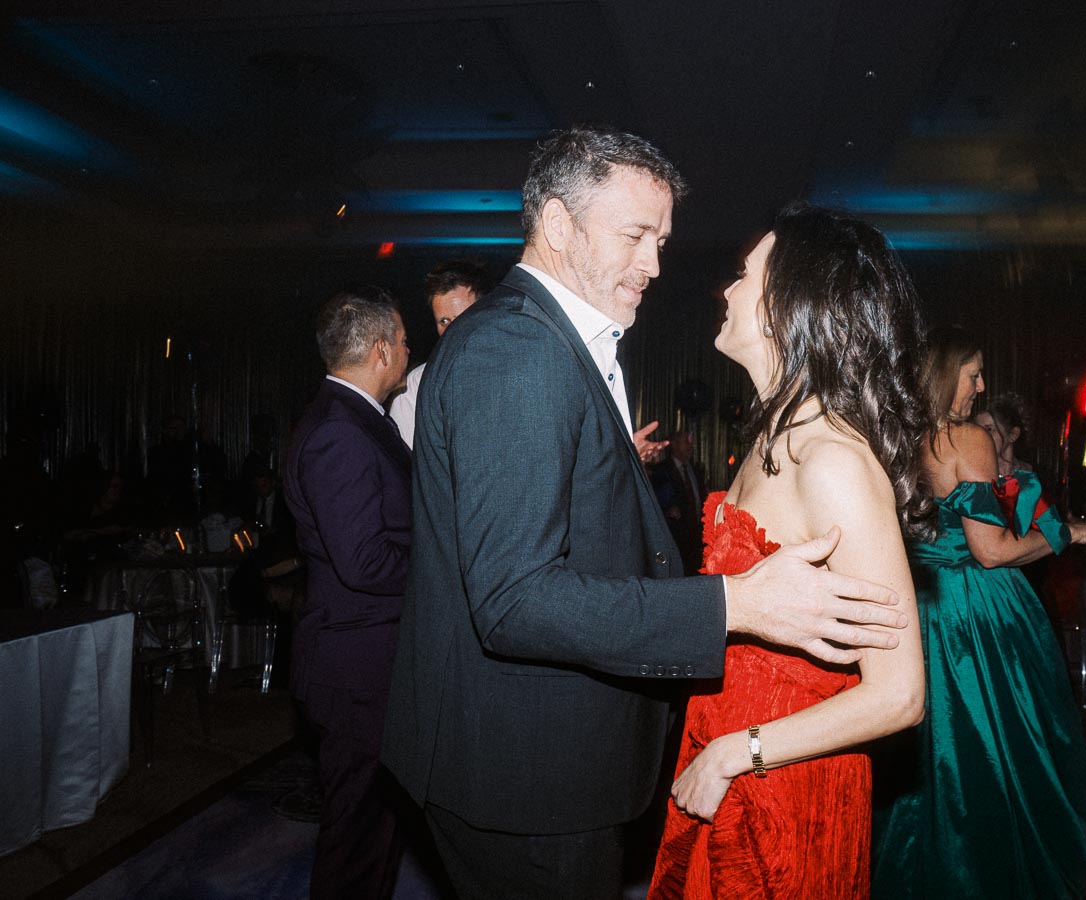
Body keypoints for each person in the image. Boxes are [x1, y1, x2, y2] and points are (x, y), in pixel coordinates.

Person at [380, 126, 910, 899]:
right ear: (559, 225)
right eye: (636, 235)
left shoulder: (561, 344)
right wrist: (736, 605)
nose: (656, 265)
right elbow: (514, 600)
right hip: (525, 771)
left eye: (662, 239)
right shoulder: (520, 353)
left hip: (583, 758)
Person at [647, 205, 929, 897]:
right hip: (729, 753)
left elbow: (900, 695)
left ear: (786, 305)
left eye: (745, 276)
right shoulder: (773, 438)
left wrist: (738, 753)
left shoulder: (831, 456)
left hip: (783, 781)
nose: (727, 290)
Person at [871, 325, 1086, 899]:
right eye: (973, 373)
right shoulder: (968, 438)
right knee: (1004, 750)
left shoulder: (888, 435)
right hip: (976, 613)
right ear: (946, 374)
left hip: (915, 606)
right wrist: (1069, 534)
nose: (982, 386)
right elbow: (994, 552)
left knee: (923, 755)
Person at [284, 285, 412, 900]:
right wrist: (445, 571)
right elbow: (363, 562)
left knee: (374, 831)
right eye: (407, 340)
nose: (412, 353)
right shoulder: (341, 431)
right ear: (382, 349)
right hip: (356, 669)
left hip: (365, 663)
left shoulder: (354, 420)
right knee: (355, 842)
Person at [388, 259, 492, 448]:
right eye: (444, 321)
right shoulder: (415, 388)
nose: (452, 330)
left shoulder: (513, 374)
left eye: (462, 318)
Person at [649, 429, 706, 576]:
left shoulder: (696, 470)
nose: (690, 446)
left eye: (691, 442)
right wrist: (669, 510)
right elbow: (655, 503)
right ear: (673, 445)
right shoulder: (661, 471)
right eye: (685, 442)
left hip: (697, 541)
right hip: (675, 541)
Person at [973, 391, 1034, 479]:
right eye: (978, 430)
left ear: (1013, 435)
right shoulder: (972, 475)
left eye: (989, 429)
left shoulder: (1030, 476)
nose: (981, 436)